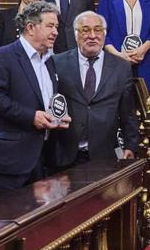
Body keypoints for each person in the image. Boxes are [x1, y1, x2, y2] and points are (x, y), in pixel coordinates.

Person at [0, 1, 61, 196]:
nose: (55, 32)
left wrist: (57, 116)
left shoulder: (49, 61)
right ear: (30, 27)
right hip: (6, 161)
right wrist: (31, 116)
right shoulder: (2, 56)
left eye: (56, 26)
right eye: (50, 26)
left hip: (39, 160)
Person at [49, 11, 140, 172]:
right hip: (64, 154)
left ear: (104, 34)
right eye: (85, 30)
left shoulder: (121, 67)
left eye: (98, 30)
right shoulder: (57, 62)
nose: (92, 36)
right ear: (76, 35)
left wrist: (130, 146)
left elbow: (128, 112)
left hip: (104, 155)